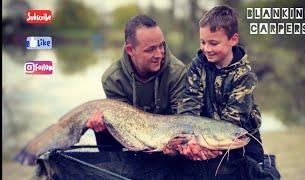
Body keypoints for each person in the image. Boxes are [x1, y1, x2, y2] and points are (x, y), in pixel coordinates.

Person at [86, 15, 220, 179]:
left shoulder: (178, 72)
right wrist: (102, 128)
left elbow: (183, 120)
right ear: (130, 50)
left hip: (167, 142)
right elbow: (122, 130)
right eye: (150, 49)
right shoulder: (112, 78)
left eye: (161, 46)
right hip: (133, 137)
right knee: (103, 126)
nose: (159, 54)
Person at [177, 5, 281, 179]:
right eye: (203, 42)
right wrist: (190, 141)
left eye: (213, 43)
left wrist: (204, 146)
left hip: (240, 140)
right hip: (205, 135)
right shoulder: (197, 66)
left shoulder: (244, 76)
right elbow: (189, 104)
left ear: (233, 40)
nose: (206, 48)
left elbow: (230, 124)